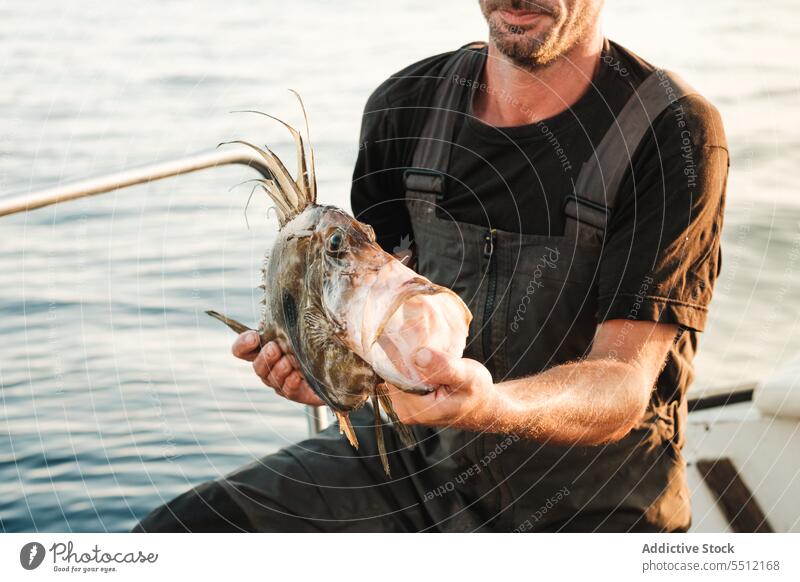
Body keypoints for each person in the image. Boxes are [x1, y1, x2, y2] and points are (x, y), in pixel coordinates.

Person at [134, 0, 727, 532]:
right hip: (408, 465)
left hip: (589, 507)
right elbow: (363, 320)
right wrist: (323, 370)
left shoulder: (672, 133)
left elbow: (623, 383)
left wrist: (490, 405)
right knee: (182, 534)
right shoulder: (406, 105)